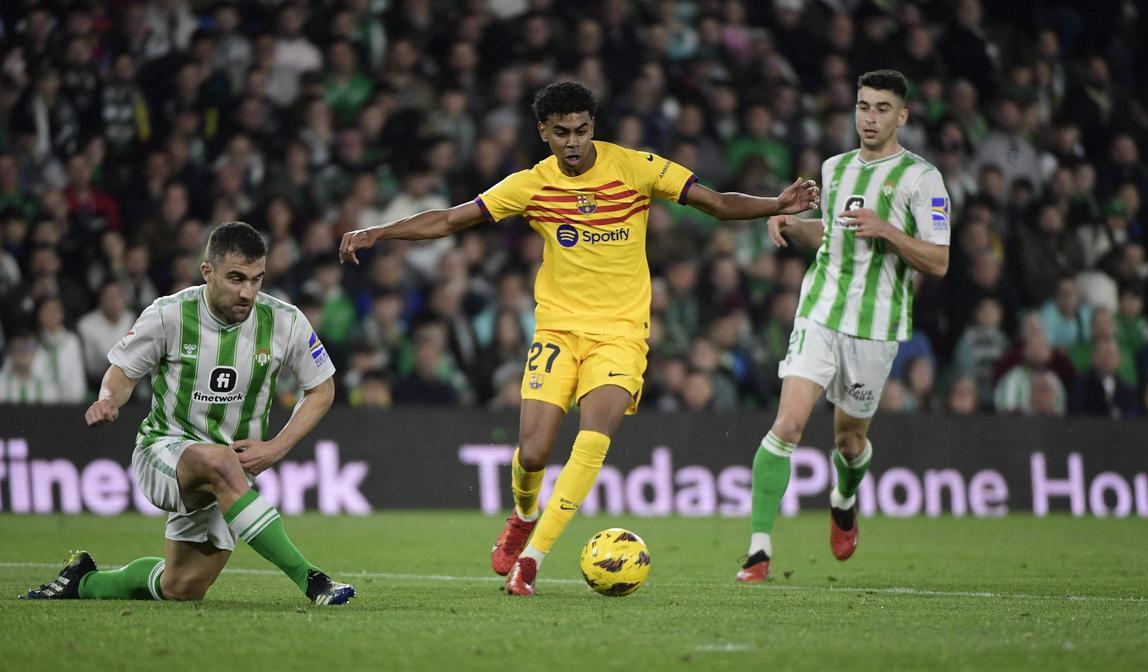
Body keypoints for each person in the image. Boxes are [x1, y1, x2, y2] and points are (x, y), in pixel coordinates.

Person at [339, 81, 818, 596]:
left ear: (594, 126)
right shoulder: (529, 185)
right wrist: (380, 231)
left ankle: (532, 559)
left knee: (592, 441)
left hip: (620, 336)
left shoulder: (636, 167)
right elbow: (450, 219)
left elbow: (718, 203)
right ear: (543, 132)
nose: (573, 141)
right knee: (533, 453)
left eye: (582, 130)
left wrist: (775, 203)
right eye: (562, 132)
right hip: (558, 331)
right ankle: (523, 515)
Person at [23, 222, 355, 606]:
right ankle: (312, 580)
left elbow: (322, 388)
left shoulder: (285, 320)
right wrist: (109, 398)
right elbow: (123, 371)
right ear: (207, 272)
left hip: (230, 472)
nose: (247, 292)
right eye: (235, 278)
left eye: (256, 279)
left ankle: (83, 581)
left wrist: (277, 447)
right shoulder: (169, 314)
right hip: (164, 451)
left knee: (181, 587)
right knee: (220, 461)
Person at [738, 70, 951, 582]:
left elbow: (939, 262)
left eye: (881, 108)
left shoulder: (923, 180)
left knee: (849, 444)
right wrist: (792, 224)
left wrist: (888, 231)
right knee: (787, 425)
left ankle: (844, 495)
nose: (869, 117)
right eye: (862, 106)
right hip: (820, 311)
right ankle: (758, 551)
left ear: (902, 115)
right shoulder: (834, 169)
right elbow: (835, 236)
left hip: (875, 329)